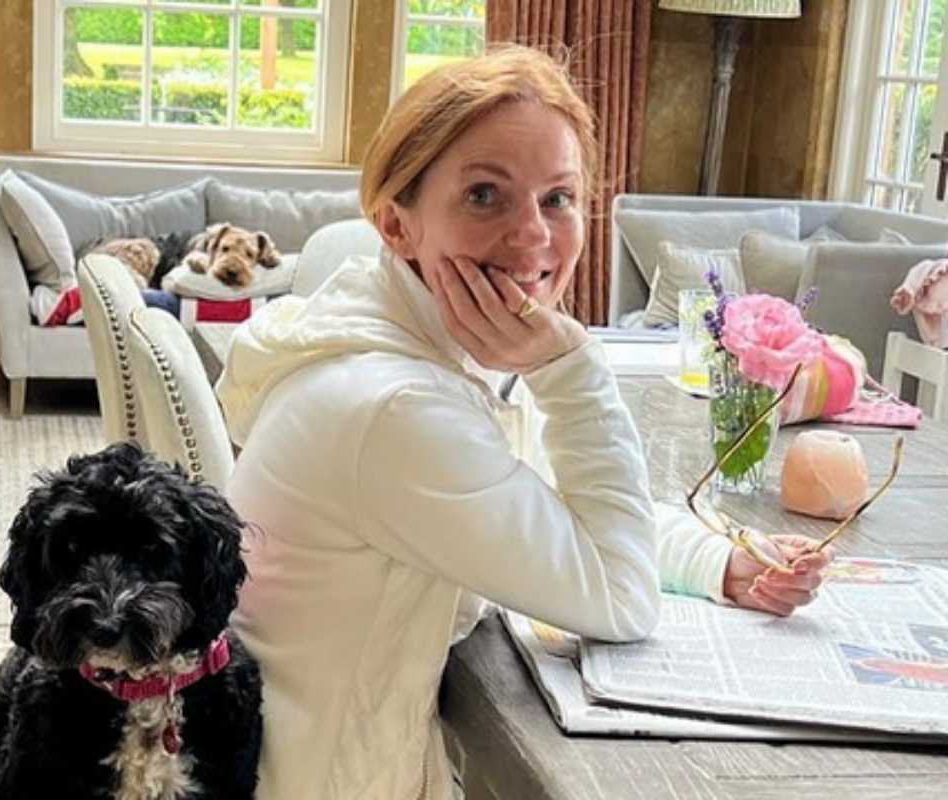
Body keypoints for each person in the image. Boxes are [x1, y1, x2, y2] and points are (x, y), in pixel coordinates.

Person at [215, 45, 833, 800]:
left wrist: (714, 561)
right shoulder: (395, 409)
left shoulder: (395, 337)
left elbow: (536, 497)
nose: (535, 235)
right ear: (397, 225)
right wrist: (571, 368)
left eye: (558, 198)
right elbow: (621, 597)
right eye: (485, 195)